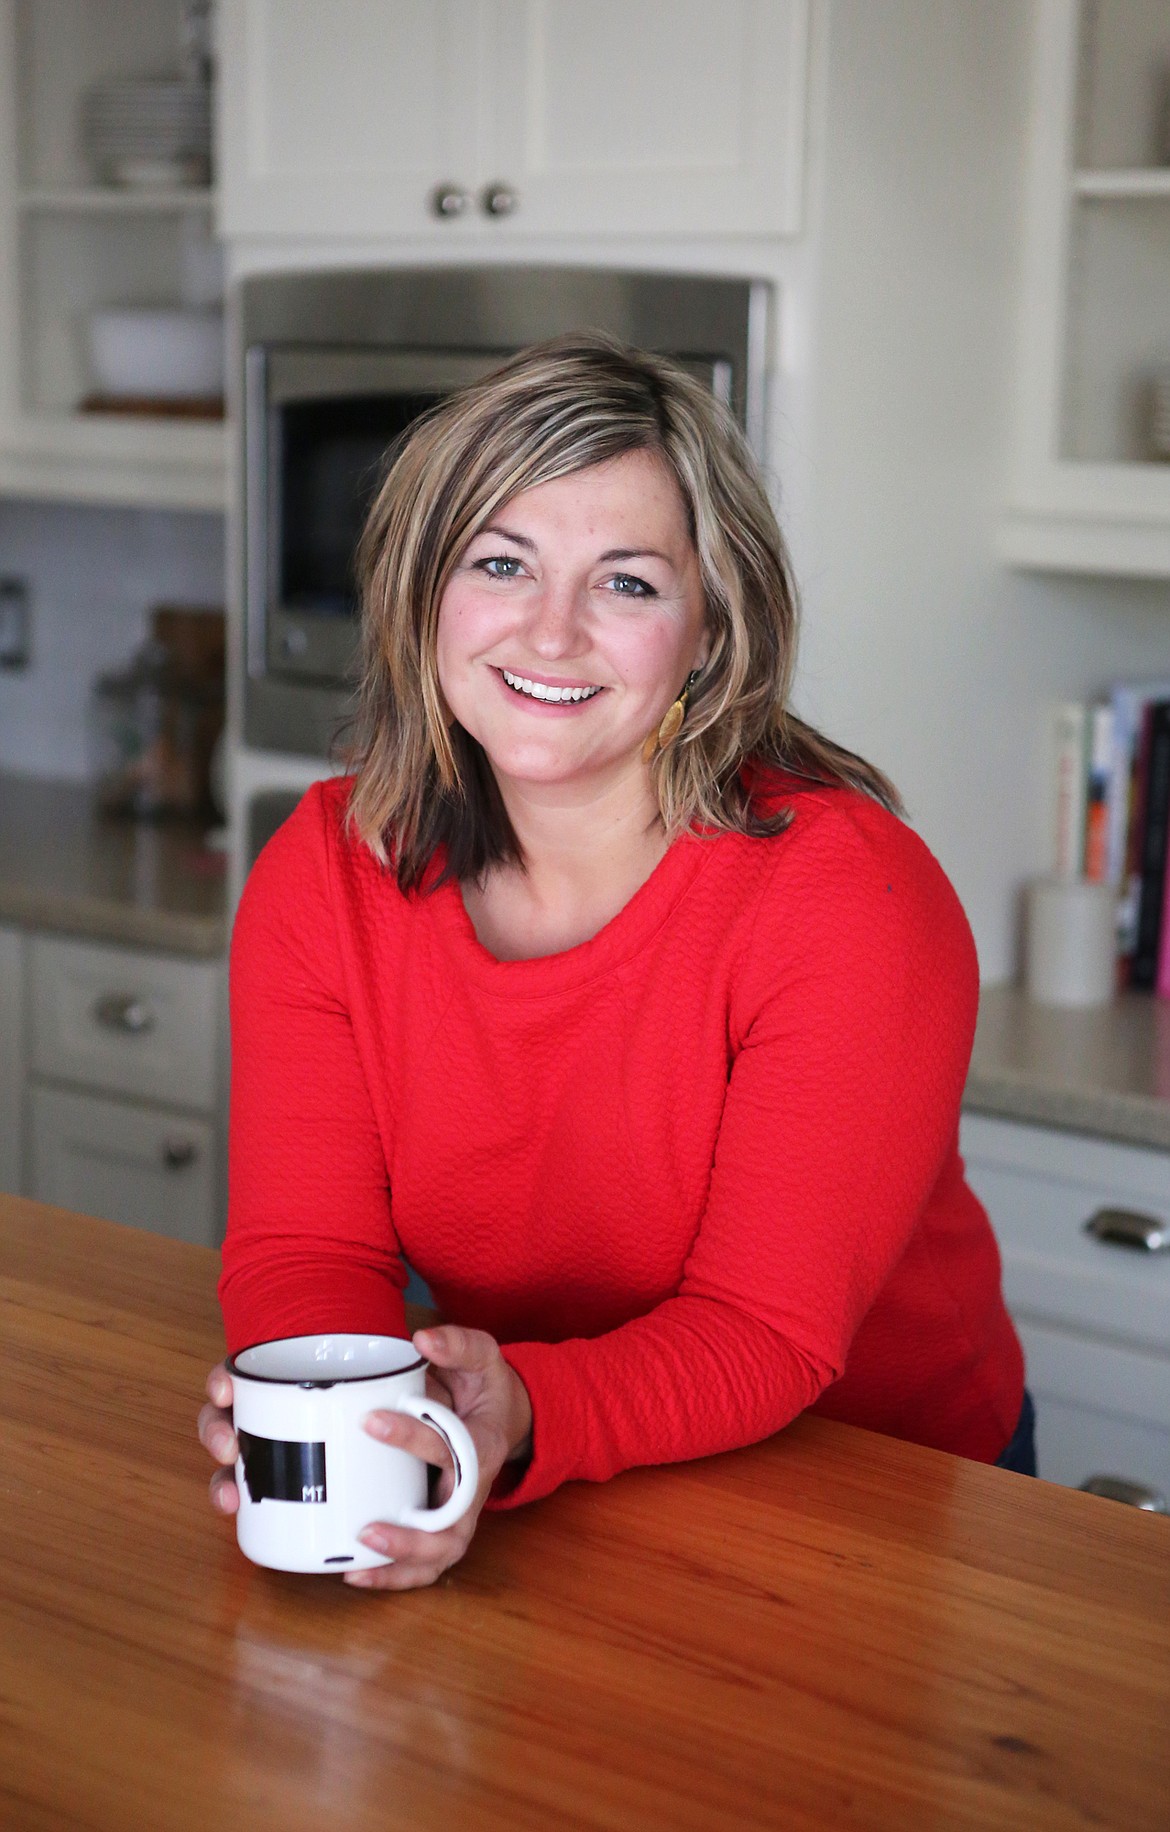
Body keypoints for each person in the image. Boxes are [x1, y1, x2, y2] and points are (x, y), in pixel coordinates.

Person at [198, 333, 1029, 1590]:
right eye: (501, 562)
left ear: (709, 630)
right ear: (424, 594)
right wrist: (352, 1432)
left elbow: (761, 1331)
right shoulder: (329, 868)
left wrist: (510, 1415)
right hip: (554, 1478)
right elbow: (306, 1253)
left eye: (628, 583)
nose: (553, 630)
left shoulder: (846, 897)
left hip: (871, 1499)